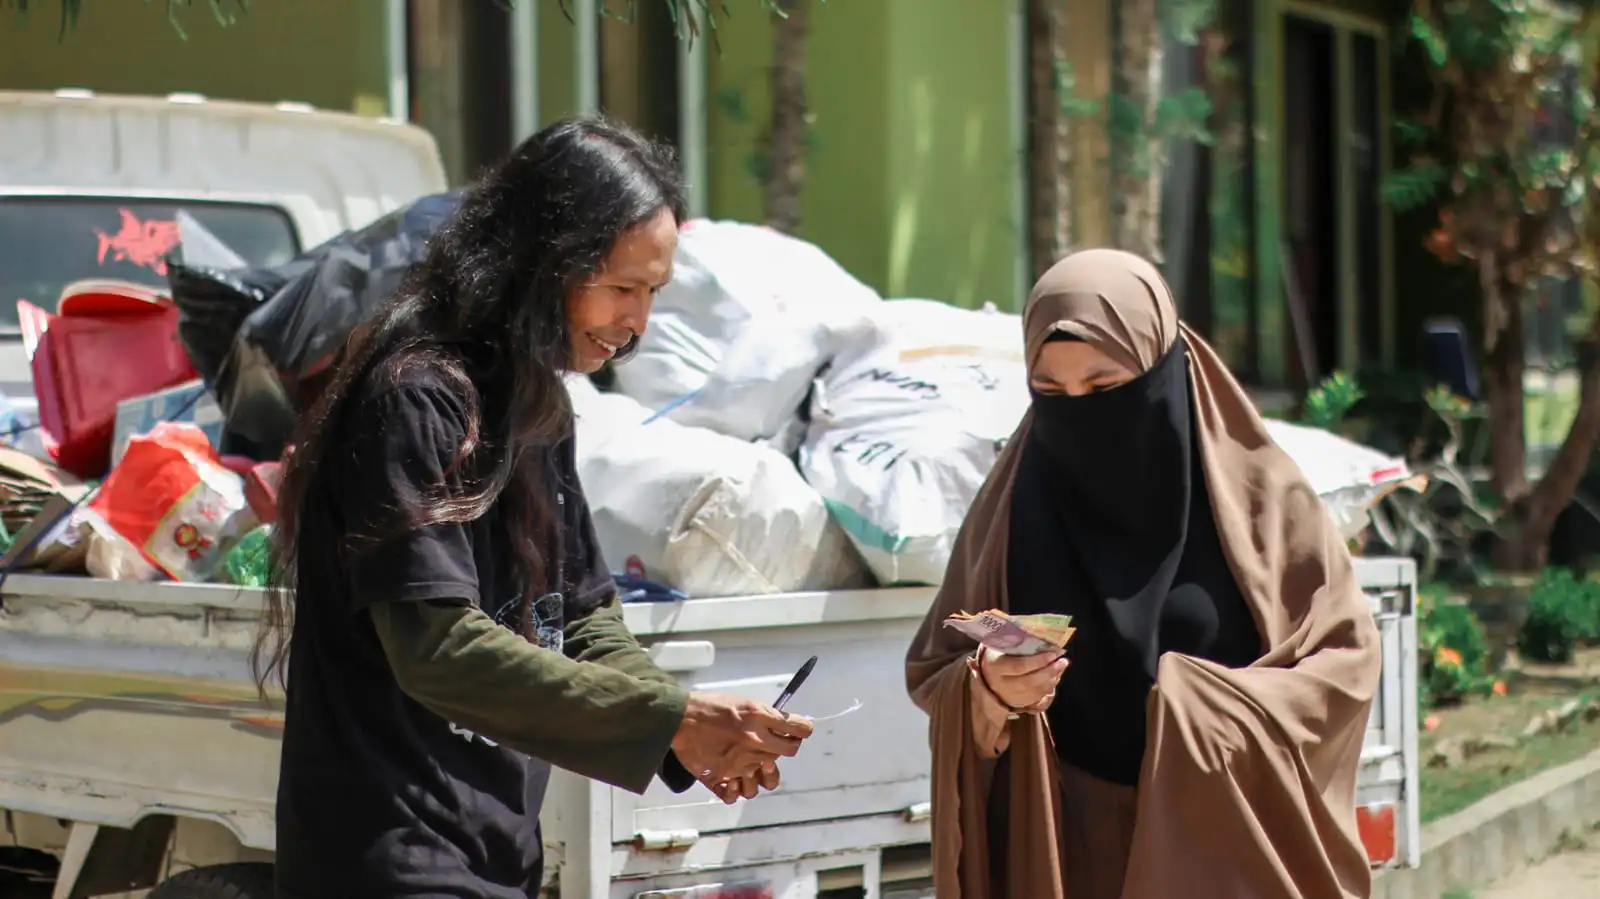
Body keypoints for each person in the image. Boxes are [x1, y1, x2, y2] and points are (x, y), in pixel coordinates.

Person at [255, 117, 814, 899]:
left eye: (651, 293)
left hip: (496, 857)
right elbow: (437, 648)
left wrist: (681, 733)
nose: (637, 324)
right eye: (621, 288)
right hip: (392, 860)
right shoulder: (416, 397)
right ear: (544, 261)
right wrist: (671, 717)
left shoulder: (538, 403)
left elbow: (581, 615)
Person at [905, 248, 1382, 899]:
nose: (1081, 414)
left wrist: (1209, 712)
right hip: (1067, 855)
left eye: (1105, 389)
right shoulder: (1011, 513)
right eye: (1052, 393)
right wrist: (989, 691)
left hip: (1224, 858)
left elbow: (1342, 662)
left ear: (1163, 369)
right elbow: (940, 669)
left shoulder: (1263, 502)